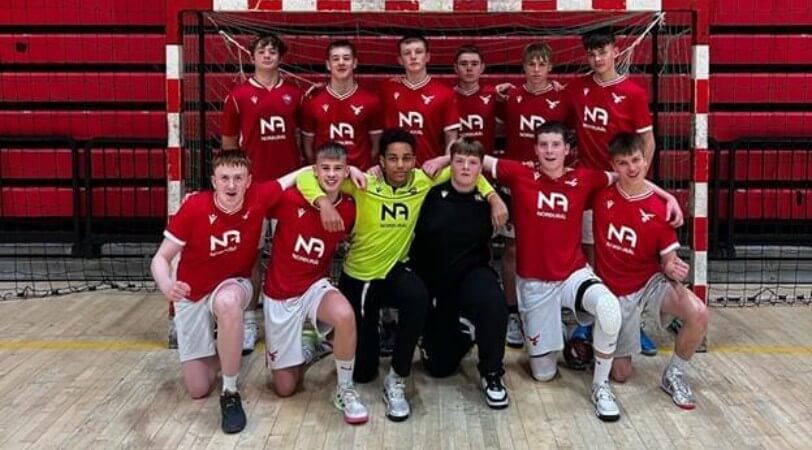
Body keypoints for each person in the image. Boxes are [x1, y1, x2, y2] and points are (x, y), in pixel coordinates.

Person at [297, 128, 507, 422]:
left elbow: (467, 173)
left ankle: (397, 377)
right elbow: (306, 176)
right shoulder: (363, 182)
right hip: (360, 277)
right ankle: (337, 336)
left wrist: (493, 197)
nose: (400, 165)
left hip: (394, 271)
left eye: (407, 158)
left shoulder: (423, 180)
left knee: (417, 293)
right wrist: (325, 201)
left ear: (414, 160)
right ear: (381, 161)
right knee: (364, 372)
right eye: (393, 159)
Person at [481, 121, 679, 422]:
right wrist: (449, 165)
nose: (550, 151)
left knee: (609, 307)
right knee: (544, 374)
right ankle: (563, 334)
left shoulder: (583, 178)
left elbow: (628, 176)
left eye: (556, 145)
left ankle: (600, 387)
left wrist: (668, 197)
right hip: (535, 283)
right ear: (536, 150)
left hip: (573, 275)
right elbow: (472, 159)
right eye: (544, 145)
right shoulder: (521, 173)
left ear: (567, 150)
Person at [150, 150, 309, 434]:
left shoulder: (259, 196)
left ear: (249, 181)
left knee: (227, 303)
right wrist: (166, 285)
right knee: (198, 389)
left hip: (234, 284)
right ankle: (223, 350)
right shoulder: (194, 206)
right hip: (192, 291)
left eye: (238, 178)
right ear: (214, 181)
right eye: (224, 178)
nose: (231, 185)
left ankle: (230, 391)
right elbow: (161, 258)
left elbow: (299, 175)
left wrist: (353, 172)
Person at [567, 27, 670, 362]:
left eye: (603, 51)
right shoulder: (578, 88)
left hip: (621, 189)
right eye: (592, 53)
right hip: (590, 187)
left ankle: (629, 324)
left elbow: (648, 141)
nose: (598, 58)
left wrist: (637, 181)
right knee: (591, 256)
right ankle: (590, 321)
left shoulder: (632, 93)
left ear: (616, 51)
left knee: (623, 256)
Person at [593, 133, 709, 410]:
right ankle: (603, 335)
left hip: (649, 283)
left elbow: (668, 257)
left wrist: (672, 267)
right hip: (614, 292)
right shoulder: (601, 195)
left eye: (636, 160)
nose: (631, 168)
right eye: (623, 163)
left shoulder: (660, 207)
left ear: (646, 160)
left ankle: (675, 373)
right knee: (621, 375)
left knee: (699, 312)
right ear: (613, 166)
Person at [262, 142, 370, 424]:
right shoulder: (290, 199)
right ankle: (309, 345)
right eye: (325, 168)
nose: (331, 174)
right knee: (285, 389)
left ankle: (345, 389)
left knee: (344, 315)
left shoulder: (350, 208)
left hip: (314, 286)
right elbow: (259, 198)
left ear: (346, 172)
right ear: (315, 171)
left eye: (338, 169)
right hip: (279, 294)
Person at [221, 32, 305, 354]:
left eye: (273, 51)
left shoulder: (295, 95)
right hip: (254, 189)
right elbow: (229, 147)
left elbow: (304, 140)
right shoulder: (238, 96)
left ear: (280, 57)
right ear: (252, 56)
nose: (267, 55)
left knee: (290, 255)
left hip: (288, 189)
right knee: (250, 256)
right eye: (261, 50)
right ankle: (249, 321)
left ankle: (289, 318)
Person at [411, 138, 509, 409]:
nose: (466, 167)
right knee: (439, 367)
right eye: (459, 161)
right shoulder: (430, 194)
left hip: (472, 275)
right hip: (434, 280)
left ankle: (492, 373)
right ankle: (465, 331)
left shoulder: (490, 201)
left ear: (480, 168)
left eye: (473, 162)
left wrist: (494, 197)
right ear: (450, 165)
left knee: (493, 302)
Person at [495, 42, 574, 348]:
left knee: (551, 247)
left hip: (551, 185)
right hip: (517, 184)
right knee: (512, 249)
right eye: (532, 64)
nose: (537, 70)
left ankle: (557, 310)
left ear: (550, 67)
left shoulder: (563, 98)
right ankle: (512, 312)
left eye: (542, 64)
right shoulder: (511, 97)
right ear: (524, 67)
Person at [301, 40, 383, 169]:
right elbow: (308, 148)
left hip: (361, 174)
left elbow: (376, 147)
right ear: (328, 64)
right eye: (335, 59)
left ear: (354, 63)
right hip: (326, 177)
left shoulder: (371, 101)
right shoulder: (313, 101)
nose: (341, 62)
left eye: (346, 58)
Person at [380, 33, 460, 164]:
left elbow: (451, 139)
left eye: (418, 52)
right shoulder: (387, 89)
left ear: (427, 57)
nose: (413, 57)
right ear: (400, 60)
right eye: (407, 53)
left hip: (429, 169)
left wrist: (444, 164)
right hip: (394, 169)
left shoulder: (445, 93)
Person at [453, 45, 501, 155]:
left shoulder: (494, 95)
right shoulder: (446, 97)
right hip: (454, 161)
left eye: (474, 64)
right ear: (456, 68)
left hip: (485, 161)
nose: (469, 68)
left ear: (482, 68)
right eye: (463, 64)